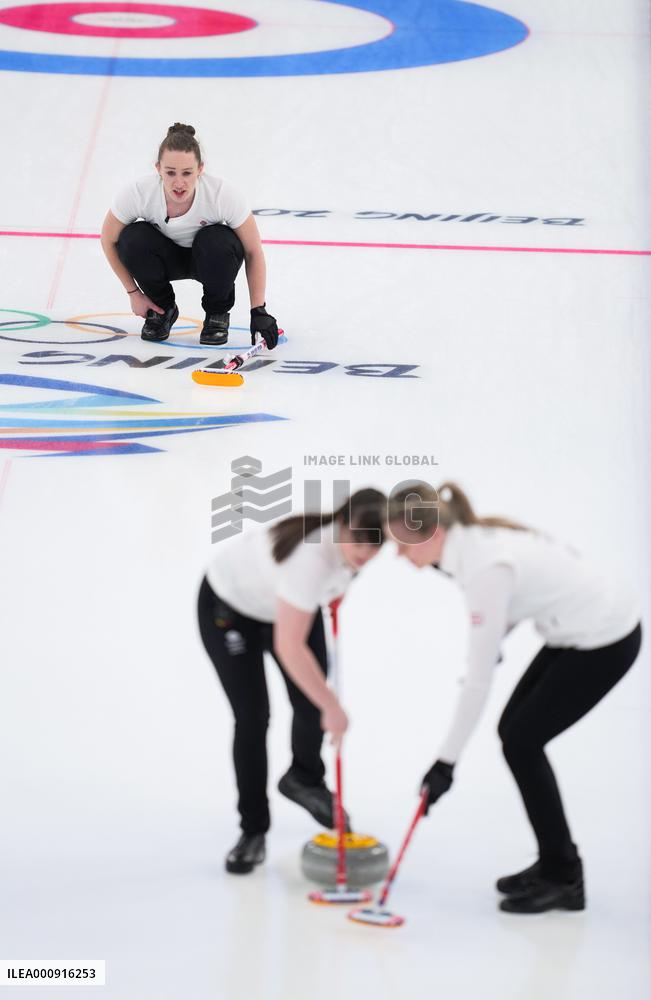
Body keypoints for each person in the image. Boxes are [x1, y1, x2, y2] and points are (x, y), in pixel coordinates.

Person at [387, 482, 641, 914]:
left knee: (522, 743)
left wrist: (445, 763)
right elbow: (515, 604)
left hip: (605, 638)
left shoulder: (484, 566)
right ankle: (554, 862)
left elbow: (478, 683)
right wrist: (492, 641)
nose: (400, 555)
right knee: (514, 734)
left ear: (433, 534)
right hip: (579, 627)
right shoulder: (473, 544)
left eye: (404, 545)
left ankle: (564, 876)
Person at [198, 488, 386, 874]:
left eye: (375, 545)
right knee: (254, 718)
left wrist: (338, 591)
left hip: (286, 605)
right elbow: (289, 646)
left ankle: (303, 777)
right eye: (358, 542)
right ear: (342, 524)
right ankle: (253, 830)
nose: (366, 553)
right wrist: (332, 707)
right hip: (230, 609)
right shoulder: (310, 559)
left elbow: (339, 573)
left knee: (310, 694)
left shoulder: (349, 549)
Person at [100, 122, 279, 348]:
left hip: (208, 258)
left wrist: (258, 310)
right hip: (166, 258)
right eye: (170, 172)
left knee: (219, 240)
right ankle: (162, 309)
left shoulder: (222, 194)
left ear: (200, 169)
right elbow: (108, 240)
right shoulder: (138, 193)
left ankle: (217, 313)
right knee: (132, 238)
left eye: (187, 173)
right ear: (158, 169)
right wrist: (133, 292)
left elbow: (253, 251)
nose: (179, 183)